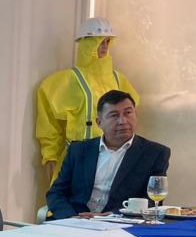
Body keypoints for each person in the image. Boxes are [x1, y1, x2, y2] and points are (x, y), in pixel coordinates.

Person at [35, 17, 141, 186]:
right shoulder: (67, 80)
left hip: (115, 157)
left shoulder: (119, 80)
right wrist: (50, 155)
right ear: (85, 43)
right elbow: (49, 124)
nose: (104, 46)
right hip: (78, 159)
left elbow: (130, 117)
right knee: (70, 200)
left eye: (107, 41)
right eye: (98, 41)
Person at [47, 90, 169, 220]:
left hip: (119, 222)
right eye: (114, 115)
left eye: (128, 113)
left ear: (136, 115)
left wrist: (113, 215)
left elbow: (153, 200)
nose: (122, 121)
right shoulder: (78, 150)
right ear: (99, 122)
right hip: (74, 221)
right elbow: (56, 193)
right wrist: (71, 217)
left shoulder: (155, 153)